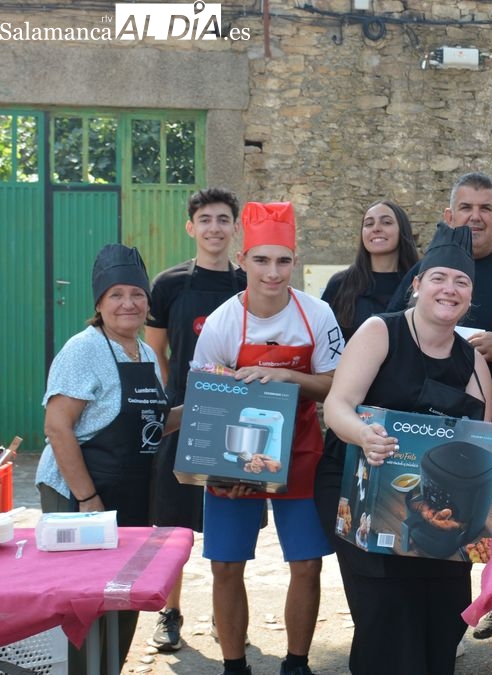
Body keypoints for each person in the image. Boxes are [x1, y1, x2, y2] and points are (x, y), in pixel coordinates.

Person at [322, 224, 492, 675]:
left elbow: (482, 440)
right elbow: (336, 406)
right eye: (438, 278)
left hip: (440, 510)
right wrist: (363, 434)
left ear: (470, 297)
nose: (449, 289)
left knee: (444, 614)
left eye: (461, 282)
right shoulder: (381, 332)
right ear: (417, 285)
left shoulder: (474, 363)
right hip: (367, 498)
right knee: (387, 619)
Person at [192, 202, 343, 675]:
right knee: (226, 564)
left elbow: (337, 383)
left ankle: (296, 662)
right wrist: (223, 468)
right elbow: (205, 400)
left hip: (299, 448)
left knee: (306, 563)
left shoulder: (317, 314)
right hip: (235, 449)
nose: (272, 273)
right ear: (243, 261)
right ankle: (234, 665)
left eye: (282, 261)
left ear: (294, 262)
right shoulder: (219, 323)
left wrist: (286, 381)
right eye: (261, 260)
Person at [37, 243, 179, 674]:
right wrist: (86, 500)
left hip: (131, 491)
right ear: (99, 303)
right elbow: (57, 426)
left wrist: (214, 405)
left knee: (124, 595)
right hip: (78, 494)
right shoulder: (85, 349)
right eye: (116, 294)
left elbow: (153, 423)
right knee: (83, 605)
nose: (128, 303)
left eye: (137, 294)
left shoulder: (146, 354)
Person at [145, 187, 247, 652]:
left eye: (223, 219)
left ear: (234, 228)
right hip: (181, 415)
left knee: (227, 519)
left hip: (234, 417)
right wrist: (178, 399)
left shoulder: (248, 283)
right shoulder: (168, 284)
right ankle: (170, 612)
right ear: (192, 227)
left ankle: (220, 614)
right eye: (205, 219)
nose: (214, 228)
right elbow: (155, 350)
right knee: (173, 524)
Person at [386, 172, 492, 402]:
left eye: (485, 208)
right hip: (419, 415)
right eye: (466, 207)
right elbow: (392, 335)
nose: (475, 217)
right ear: (449, 216)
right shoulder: (424, 273)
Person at [322, 200, 420, 340]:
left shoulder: (419, 285)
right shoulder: (340, 284)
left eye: (386, 222)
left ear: (402, 230)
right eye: (368, 224)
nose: (376, 228)